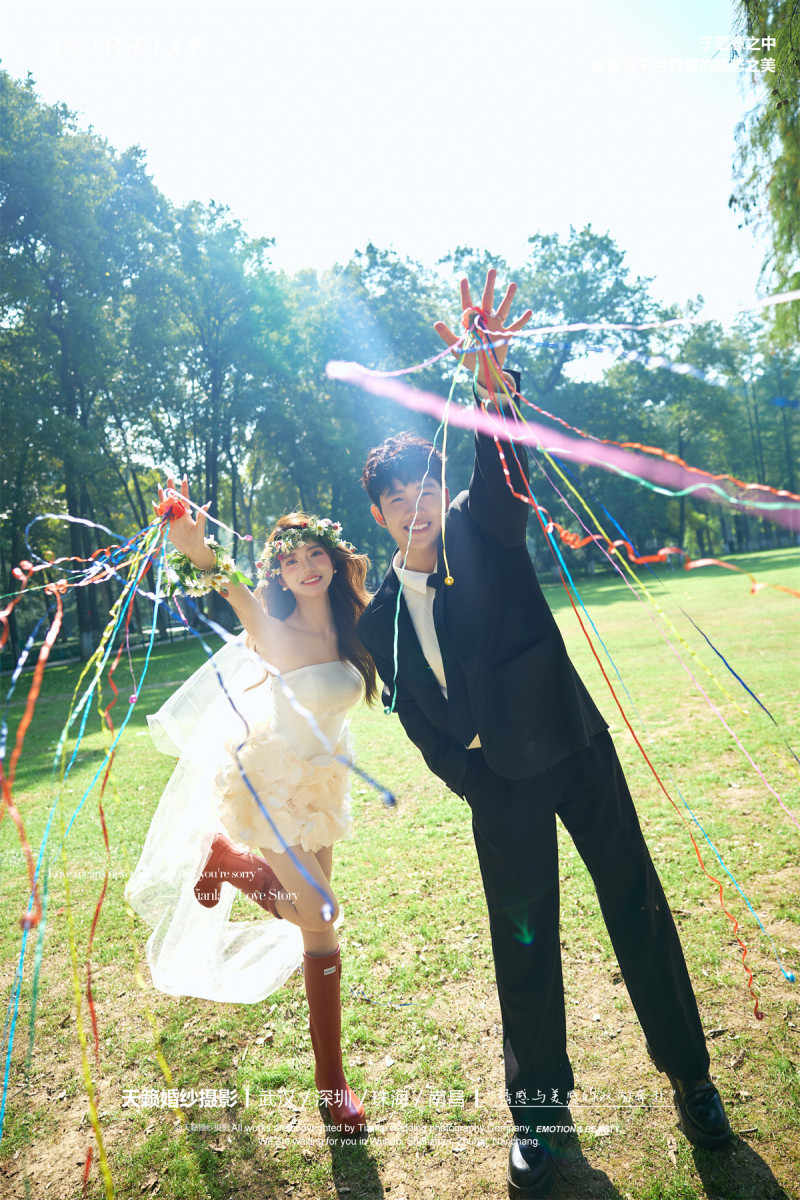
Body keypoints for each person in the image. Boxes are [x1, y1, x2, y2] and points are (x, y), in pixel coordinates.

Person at [356, 270, 732, 1198]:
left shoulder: (485, 527)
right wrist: (472, 780)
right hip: (500, 792)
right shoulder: (378, 619)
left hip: (575, 749)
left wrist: (495, 393)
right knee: (522, 947)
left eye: (425, 486)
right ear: (379, 514)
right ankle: (539, 1116)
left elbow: (505, 471)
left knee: (637, 906)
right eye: (398, 499)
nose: (416, 505)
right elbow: (416, 719)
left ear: (444, 487)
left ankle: (691, 1078)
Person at [125, 479, 377, 1137]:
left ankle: (332, 1082)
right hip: (268, 778)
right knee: (322, 913)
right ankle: (332, 1088)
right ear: (281, 575)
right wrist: (196, 548)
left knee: (316, 929)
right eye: (289, 561)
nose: (305, 567)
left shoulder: (359, 628)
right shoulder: (273, 631)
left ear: (332, 558)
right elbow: (229, 586)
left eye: (313, 554)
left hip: (320, 783)